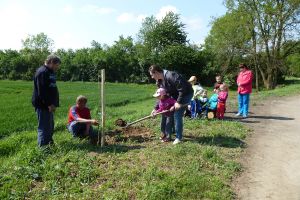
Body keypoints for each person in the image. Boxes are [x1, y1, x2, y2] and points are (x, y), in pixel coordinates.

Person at [149, 65, 193, 144]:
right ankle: (170, 132)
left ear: (156, 72)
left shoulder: (171, 76)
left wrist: (178, 102)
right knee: (169, 112)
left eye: (152, 75)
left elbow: (182, 89)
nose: (152, 77)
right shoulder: (159, 81)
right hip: (175, 95)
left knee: (177, 113)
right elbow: (161, 97)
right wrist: (155, 108)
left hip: (186, 93)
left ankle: (179, 138)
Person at [32, 54, 61, 147]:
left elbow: (51, 88)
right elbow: (42, 91)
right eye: (57, 65)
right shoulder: (42, 72)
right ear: (51, 62)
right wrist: (49, 104)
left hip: (49, 105)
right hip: (43, 105)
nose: (57, 68)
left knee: (49, 126)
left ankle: (49, 144)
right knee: (44, 128)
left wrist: (54, 103)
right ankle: (43, 149)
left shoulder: (49, 72)